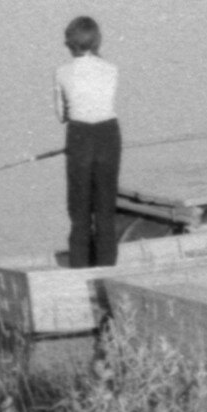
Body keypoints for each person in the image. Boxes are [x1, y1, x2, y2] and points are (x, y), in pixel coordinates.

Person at [53, 15, 122, 269]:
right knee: (105, 210)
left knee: (79, 211)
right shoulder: (111, 69)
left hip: (80, 136)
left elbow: (61, 115)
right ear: (97, 41)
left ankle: (79, 271)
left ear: (69, 44)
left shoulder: (61, 72)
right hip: (108, 135)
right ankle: (107, 272)